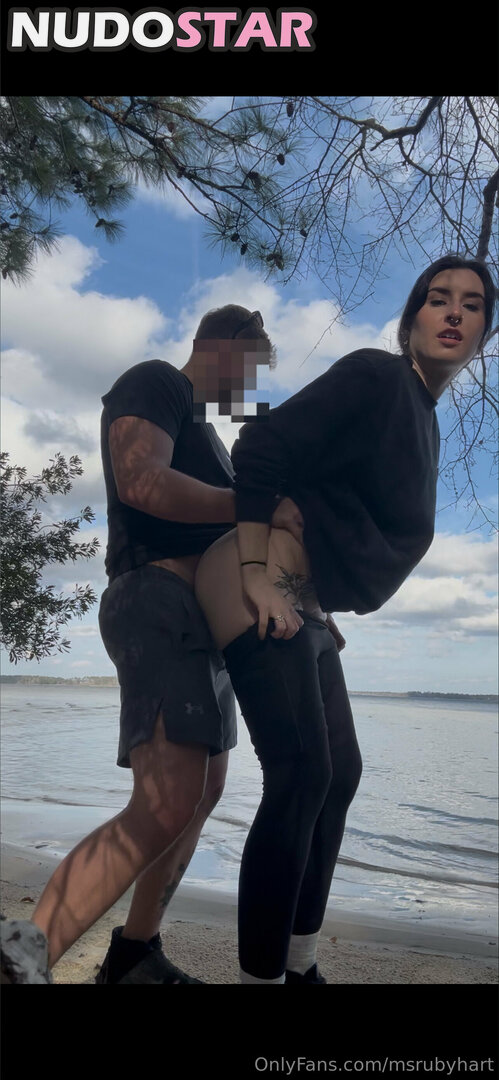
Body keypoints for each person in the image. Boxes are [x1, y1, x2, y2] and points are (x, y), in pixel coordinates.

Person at [193, 255, 495, 984]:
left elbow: (332, 506)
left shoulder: (422, 417)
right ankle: (262, 980)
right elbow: (259, 446)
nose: (454, 312)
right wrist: (257, 573)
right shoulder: (376, 375)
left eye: (472, 304)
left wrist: (319, 604)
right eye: (437, 298)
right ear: (411, 318)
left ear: (485, 331)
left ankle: (299, 965)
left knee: (340, 773)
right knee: (300, 773)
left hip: (307, 598)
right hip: (259, 574)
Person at [0, 304, 303, 985]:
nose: (248, 385)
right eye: (251, 367)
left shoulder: (213, 444)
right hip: (155, 600)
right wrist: (252, 506)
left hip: (205, 627)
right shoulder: (157, 381)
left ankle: (135, 954)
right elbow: (143, 483)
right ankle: (20, 960)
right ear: (225, 344)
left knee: (202, 791)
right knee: (165, 797)